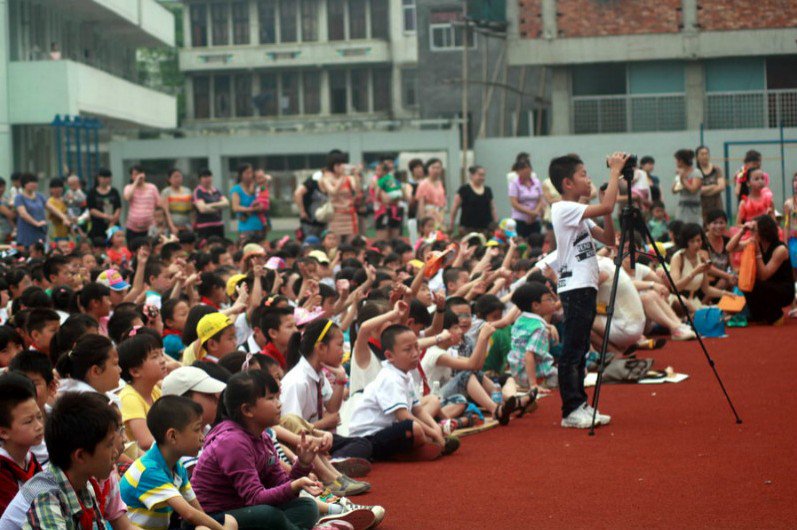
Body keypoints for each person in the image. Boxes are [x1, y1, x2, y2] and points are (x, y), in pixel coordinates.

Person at [189, 370, 324, 530]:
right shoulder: (232, 442)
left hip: (245, 511)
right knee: (267, 515)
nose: (279, 403)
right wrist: (295, 485)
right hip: (214, 519)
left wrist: (302, 465)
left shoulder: (262, 437)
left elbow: (281, 485)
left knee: (307, 507)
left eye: (277, 397)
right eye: (270, 398)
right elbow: (255, 499)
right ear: (247, 410)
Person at [548, 152, 626, 429]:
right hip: (576, 286)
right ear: (567, 183)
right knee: (573, 349)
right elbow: (605, 207)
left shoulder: (579, 213)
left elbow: (607, 237)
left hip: (585, 285)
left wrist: (609, 202)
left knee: (580, 348)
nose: (588, 178)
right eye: (583, 174)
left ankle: (580, 404)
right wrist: (615, 173)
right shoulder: (562, 208)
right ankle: (571, 409)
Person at [120, 395, 237, 530]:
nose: (202, 437)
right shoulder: (148, 470)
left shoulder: (177, 466)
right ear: (173, 436)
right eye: (197, 429)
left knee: (229, 520)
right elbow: (189, 514)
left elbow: (197, 510)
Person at [348, 325, 457, 461]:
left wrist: (435, 428)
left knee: (424, 418)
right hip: (368, 438)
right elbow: (403, 416)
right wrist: (433, 433)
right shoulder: (390, 378)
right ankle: (415, 451)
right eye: (407, 350)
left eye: (417, 347)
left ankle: (427, 444)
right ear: (389, 356)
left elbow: (417, 410)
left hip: (387, 430)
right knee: (414, 428)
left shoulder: (405, 374)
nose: (415, 353)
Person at [727, 215, 794, 325]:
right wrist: (742, 231)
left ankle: (776, 315)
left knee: (753, 284)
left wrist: (757, 253)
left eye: (754, 230)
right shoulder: (755, 242)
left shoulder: (780, 249)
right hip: (767, 285)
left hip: (783, 290)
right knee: (744, 283)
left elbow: (764, 275)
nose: (751, 232)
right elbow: (729, 248)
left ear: (764, 232)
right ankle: (759, 315)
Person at [0, 372, 44, 514]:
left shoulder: (29, 459)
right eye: (28, 421)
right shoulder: (2, 470)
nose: (39, 426)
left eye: (39, 416)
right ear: (3, 432)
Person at [669, 223, 734, 313]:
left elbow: (706, 289)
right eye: (692, 241)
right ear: (686, 242)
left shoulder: (701, 257)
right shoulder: (678, 257)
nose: (696, 244)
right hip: (678, 302)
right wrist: (694, 272)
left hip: (695, 302)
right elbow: (675, 287)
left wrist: (726, 294)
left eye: (699, 240)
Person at [118, 330, 167, 451]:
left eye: (161, 354)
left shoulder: (155, 390)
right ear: (135, 371)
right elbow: (145, 442)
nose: (162, 360)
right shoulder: (129, 397)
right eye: (155, 356)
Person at [508, 282, 559, 392]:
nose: (554, 302)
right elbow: (529, 354)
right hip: (536, 375)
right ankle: (541, 384)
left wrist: (549, 326)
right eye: (549, 299)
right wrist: (533, 385)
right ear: (535, 305)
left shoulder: (520, 320)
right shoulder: (539, 328)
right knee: (578, 373)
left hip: (518, 374)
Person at [320, 153, 358, 240]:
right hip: (336, 214)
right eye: (338, 165)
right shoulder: (327, 179)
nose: (340, 167)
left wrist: (356, 175)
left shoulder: (349, 178)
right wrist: (342, 176)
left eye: (342, 164)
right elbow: (333, 192)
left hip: (349, 213)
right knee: (335, 242)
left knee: (352, 241)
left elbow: (356, 191)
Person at [449, 165, 496, 235]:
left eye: (483, 175)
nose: (482, 178)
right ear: (471, 175)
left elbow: (492, 208)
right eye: (480, 175)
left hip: (486, 228)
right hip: (467, 228)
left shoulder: (488, 190)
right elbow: (455, 207)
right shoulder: (464, 189)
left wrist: (495, 223)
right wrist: (452, 223)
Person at [123, 165, 160, 244]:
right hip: (132, 227)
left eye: (140, 173)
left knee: (150, 247)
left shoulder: (152, 187)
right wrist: (136, 182)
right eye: (135, 174)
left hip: (149, 227)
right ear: (131, 176)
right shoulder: (129, 187)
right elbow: (127, 197)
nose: (139, 176)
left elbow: (158, 204)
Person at [508, 160, 545, 238]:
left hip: (535, 218)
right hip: (520, 218)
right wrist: (530, 212)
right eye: (523, 170)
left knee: (536, 240)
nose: (527, 172)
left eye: (528, 169)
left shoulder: (537, 182)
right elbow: (514, 203)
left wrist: (535, 213)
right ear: (518, 171)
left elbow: (541, 199)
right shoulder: (514, 183)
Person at [231, 163, 265, 240]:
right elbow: (235, 208)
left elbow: (265, 196)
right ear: (240, 175)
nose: (250, 175)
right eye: (247, 173)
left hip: (260, 225)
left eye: (251, 172)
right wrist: (252, 209)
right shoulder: (236, 189)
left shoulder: (257, 187)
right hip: (245, 227)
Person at [14, 173, 48, 250]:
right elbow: (23, 214)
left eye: (35, 182)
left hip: (40, 232)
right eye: (30, 182)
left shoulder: (40, 196)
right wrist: (36, 223)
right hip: (27, 233)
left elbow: (52, 208)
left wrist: (64, 217)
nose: (34, 184)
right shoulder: (19, 197)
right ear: (24, 184)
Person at [193, 169, 229, 241]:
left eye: (209, 176)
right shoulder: (198, 191)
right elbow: (202, 209)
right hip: (205, 227)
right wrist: (219, 206)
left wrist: (210, 205)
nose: (207, 179)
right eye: (204, 177)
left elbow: (226, 203)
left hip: (218, 225)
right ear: (200, 179)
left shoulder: (216, 190)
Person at [87, 168, 122, 241]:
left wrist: (113, 220)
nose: (105, 180)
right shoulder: (92, 192)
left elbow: (118, 207)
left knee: (114, 242)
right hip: (98, 224)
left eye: (107, 177)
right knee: (100, 244)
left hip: (113, 224)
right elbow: (91, 209)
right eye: (103, 177)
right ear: (98, 178)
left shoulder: (114, 191)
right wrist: (106, 216)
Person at [672, 149, 703, 225]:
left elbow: (693, 189)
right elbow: (674, 190)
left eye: (677, 160)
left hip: (694, 208)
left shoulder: (696, 173)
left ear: (681, 161)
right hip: (682, 208)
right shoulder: (680, 172)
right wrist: (678, 177)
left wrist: (683, 179)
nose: (676, 162)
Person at [696, 146, 725, 223]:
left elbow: (721, 186)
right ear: (697, 157)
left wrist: (705, 191)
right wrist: (713, 186)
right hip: (702, 207)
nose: (704, 156)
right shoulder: (696, 172)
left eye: (706, 154)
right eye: (702, 154)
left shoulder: (716, 169)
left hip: (717, 205)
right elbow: (698, 190)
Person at [414, 158, 446, 229]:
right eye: (433, 168)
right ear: (428, 169)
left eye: (438, 168)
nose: (436, 170)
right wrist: (423, 220)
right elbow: (421, 204)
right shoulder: (423, 184)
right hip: (429, 214)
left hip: (440, 214)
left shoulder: (440, 183)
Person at [160, 168, 193, 233]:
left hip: (186, 226)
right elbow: (166, 212)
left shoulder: (188, 191)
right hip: (172, 227)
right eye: (175, 177)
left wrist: (191, 225)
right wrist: (172, 226)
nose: (178, 179)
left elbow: (191, 211)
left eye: (179, 176)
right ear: (169, 179)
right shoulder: (166, 192)